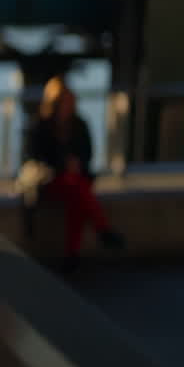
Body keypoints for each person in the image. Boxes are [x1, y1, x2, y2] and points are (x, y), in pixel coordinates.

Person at [27, 76, 125, 271]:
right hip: (51, 179)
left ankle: (74, 255)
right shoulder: (41, 125)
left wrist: (76, 164)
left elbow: (87, 153)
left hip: (75, 180)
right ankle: (101, 230)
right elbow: (35, 156)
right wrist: (62, 164)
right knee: (76, 191)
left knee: (76, 196)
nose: (67, 105)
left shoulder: (79, 124)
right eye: (63, 101)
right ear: (54, 102)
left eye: (69, 101)